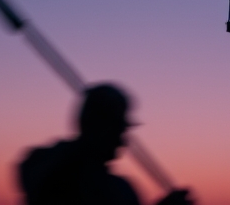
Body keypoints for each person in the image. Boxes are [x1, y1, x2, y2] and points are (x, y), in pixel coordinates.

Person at [20, 83, 192, 205]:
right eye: (117, 129)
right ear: (95, 125)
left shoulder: (121, 189)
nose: (122, 140)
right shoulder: (43, 165)